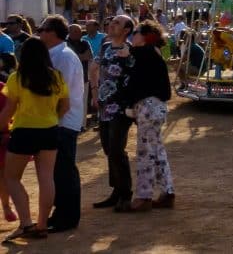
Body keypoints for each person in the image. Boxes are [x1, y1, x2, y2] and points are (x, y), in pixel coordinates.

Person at [0, 37, 68, 241]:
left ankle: (25, 223)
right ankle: (42, 225)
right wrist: (52, 118)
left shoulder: (17, 78)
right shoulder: (56, 76)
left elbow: (8, 111)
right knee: (46, 178)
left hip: (23, 132)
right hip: (49, 130)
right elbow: (65, 106)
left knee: (12, 178)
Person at [118, 20, 174, 211]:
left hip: (148, 107)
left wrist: (127, 50)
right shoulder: (151, 53)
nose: (132, 36)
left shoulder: (147, 51)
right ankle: (167, 191)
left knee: (145, 153)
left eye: (135, 33)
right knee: (156, 151)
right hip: (155, 107)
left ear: (145, 36)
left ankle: (144, 196)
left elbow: (132, 52)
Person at [36, 15, 83, 232]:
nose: (39, 32)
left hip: (62, 121)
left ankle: (68, 217)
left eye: (42, 29)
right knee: (57, 171)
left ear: (53, 33)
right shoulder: (55, 55)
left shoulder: (63, 57)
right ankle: (60, 213)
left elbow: (57, 95)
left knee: (64, 171)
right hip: (57, 121)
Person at [90, 14, 135, 210]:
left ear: (126, 30)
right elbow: (95, 68)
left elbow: (134, 79)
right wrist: (94, 92)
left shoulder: (130, 52)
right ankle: (116, 191)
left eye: (117, 23)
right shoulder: (105, 47)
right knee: (109, 150)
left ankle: (125, 194)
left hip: (120, 109)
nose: (111, 25)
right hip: (104, 106)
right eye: (112, 22)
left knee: (117, 150)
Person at [0, 53, 17, 223]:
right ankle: (6, 207)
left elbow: (10, 112)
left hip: (2, 137)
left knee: (3, 175)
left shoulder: (3, 88)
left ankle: (6, 206)